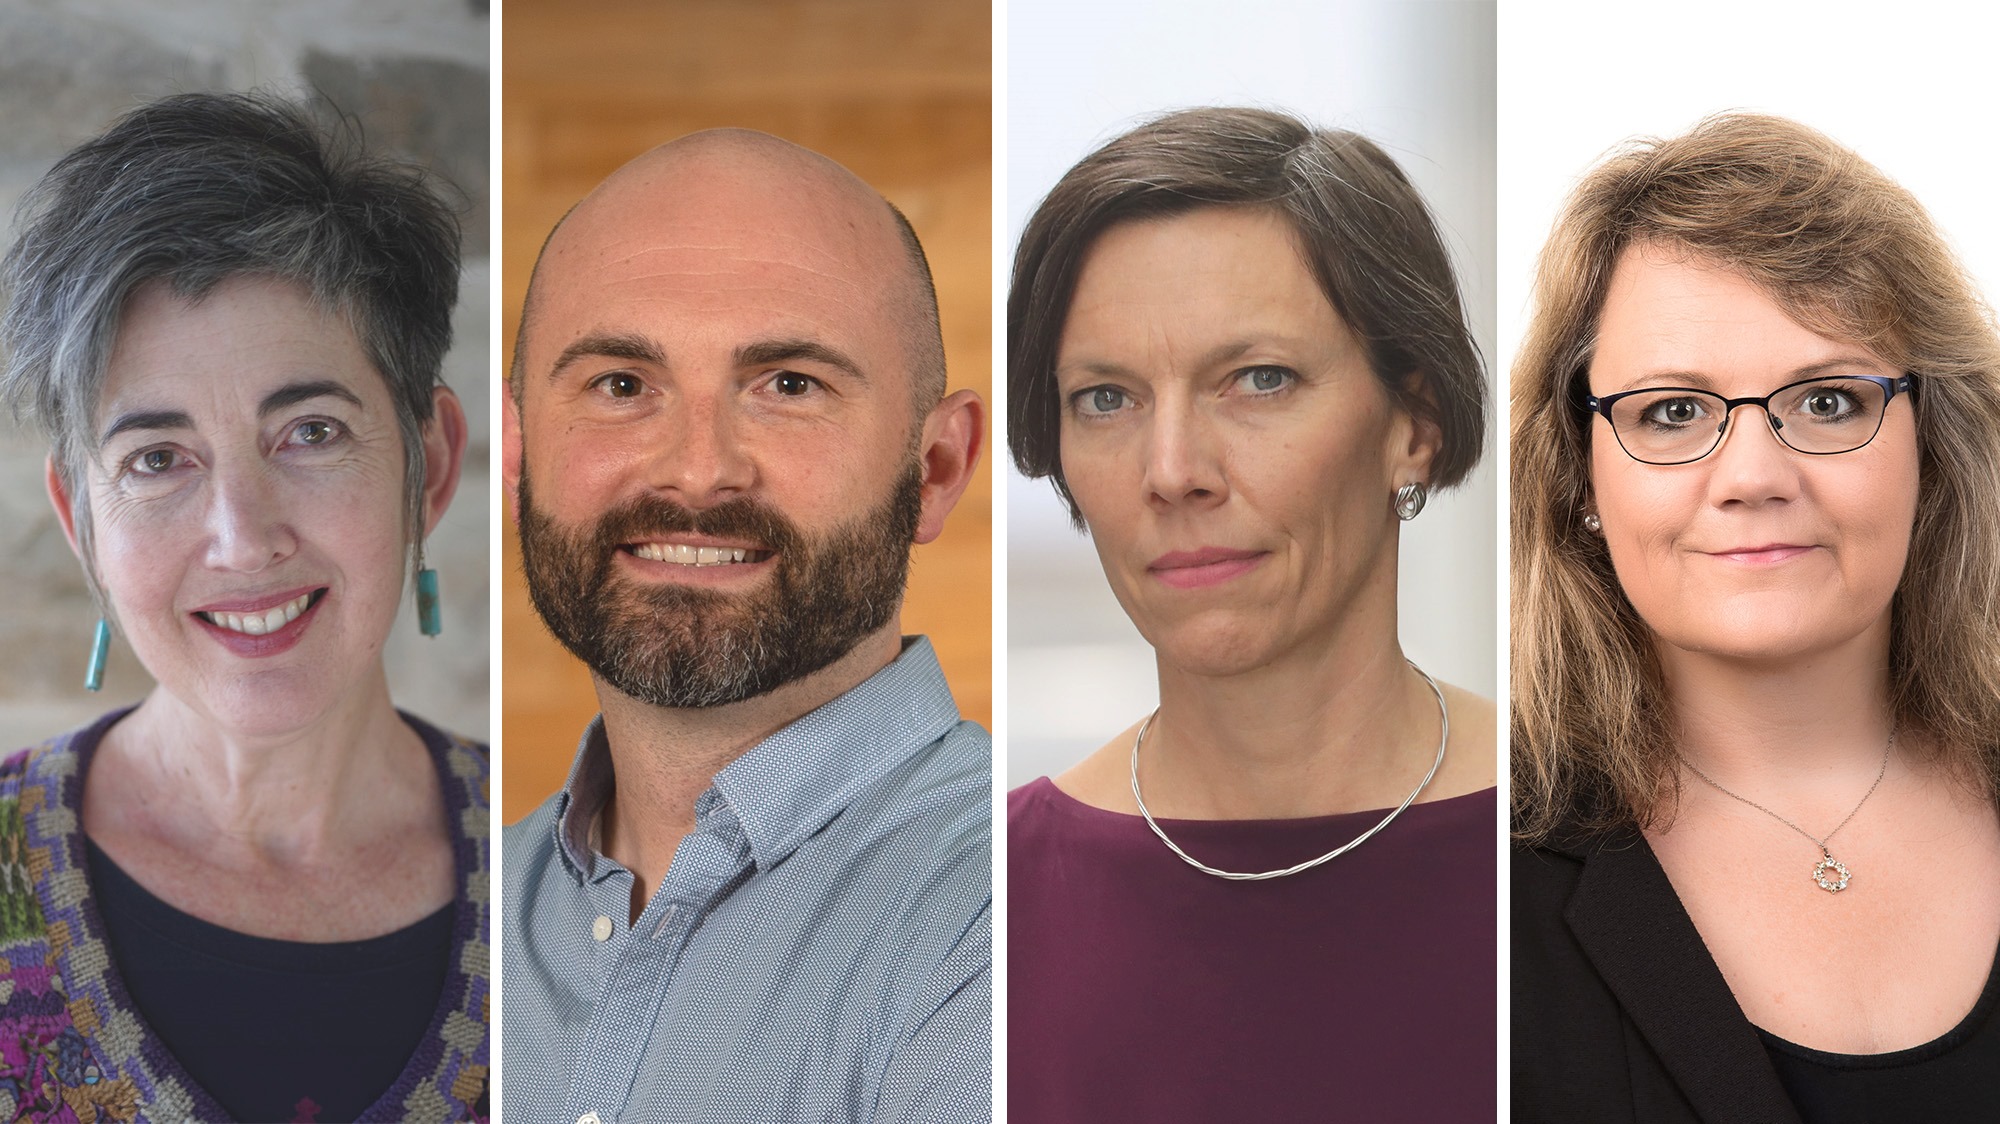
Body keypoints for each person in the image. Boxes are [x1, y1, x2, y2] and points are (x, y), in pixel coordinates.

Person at [0, 93, 484, 1122]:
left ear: (430, 464)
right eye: (157, 459)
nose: (241, 537)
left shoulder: (570, 880)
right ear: (79, 517)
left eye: (310, 431)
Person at [1006, 107, 1496, 1120]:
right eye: (1106, 398)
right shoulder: (983, 903)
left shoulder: (1593, 834)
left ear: (1415, 421)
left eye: (1258, 379)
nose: (1172, 470)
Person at [1512, 114, 2000, 1123]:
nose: (1748, 476)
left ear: (1931, 448)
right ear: (1579, 475)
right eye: (1671, 412)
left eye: (1824, 401)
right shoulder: (1459, 881)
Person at [500, 129, 988, 1122]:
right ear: (518, 447)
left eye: (789, 385)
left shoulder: (1003, 919)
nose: (695, 468)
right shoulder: (459, 909)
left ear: (934, 468)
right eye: (621, 385)